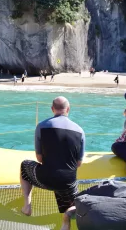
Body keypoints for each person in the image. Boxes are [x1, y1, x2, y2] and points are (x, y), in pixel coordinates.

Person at [20, 96, 85, 230]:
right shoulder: (80, 131)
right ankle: (67, 217)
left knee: (25, 165)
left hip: (46, 179)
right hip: (68, 182)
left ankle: (27, 204)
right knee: (73, 203)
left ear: (52, 109)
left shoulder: (41, 126)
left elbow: (38, 158)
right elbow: (78, 163)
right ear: (68, 109)